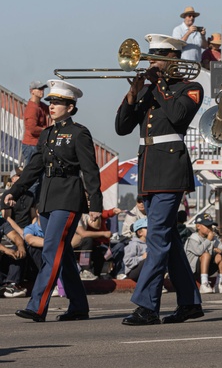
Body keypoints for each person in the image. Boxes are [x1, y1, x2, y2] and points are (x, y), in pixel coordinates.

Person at [116, 34, 204, 326]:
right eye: (150, 57)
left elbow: (178, 116)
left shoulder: (190, 88)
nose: (151, 62)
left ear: (173, 59)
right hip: (149, 167)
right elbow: (122, 127)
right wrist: (133, 94)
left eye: (157, 58)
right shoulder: (148, 90)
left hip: (170, 167)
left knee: (156, 238)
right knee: (168, 240)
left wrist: (160, 85)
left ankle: (147, 307)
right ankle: (190, 302)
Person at [3, 80, 102, 322]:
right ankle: (78, 306)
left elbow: (90, 171)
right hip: (47, 197)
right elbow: (33, 167)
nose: (52, 106)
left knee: (50, 250)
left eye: (57, 102)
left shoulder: (79, 133)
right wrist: (15, 191)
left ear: (70, 106)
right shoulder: (47, 133)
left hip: (68, 196)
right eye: (51, 102)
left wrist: (96, 206)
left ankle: (37, 306)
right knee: (62, 253)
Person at [184, 217, 222, 293]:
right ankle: (204, 284)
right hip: (192, 270)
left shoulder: (212, 238)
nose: (210, 229)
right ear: (198, 226)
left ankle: (218, 284)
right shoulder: (194, 237)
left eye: (211, 226)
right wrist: (208, 240)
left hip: (205, 267)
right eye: (207, 226)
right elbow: (199, 251)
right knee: (206, 255)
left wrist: (221, 250)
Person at [21, 80, 51, 167]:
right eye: (39, 89)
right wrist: (47, 131)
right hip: (31, 145)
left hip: (35, 144)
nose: (42, 91)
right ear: (32, 91)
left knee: (37, 174)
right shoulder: (32, 108)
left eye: (43, 89)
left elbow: (51, 111)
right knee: (33, 175)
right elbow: (32, 129)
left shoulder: (40, 105)